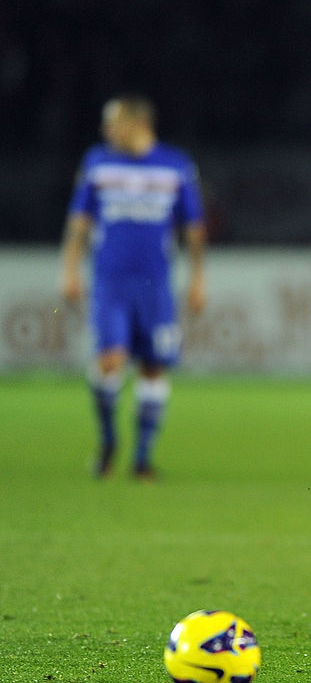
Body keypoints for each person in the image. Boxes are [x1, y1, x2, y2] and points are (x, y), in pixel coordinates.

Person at [59, 93, 207, 480]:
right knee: (110, 360)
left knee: (154, 367)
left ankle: (142, 459)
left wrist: (198, 279)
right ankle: (109, 440)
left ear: (137, 124)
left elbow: (193, 228)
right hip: (110, 282)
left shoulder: (175, 165)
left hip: (156, 285)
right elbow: (79, 221)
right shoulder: (98, 163)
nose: (106, 130)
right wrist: (70, 270)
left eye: (113, 123)